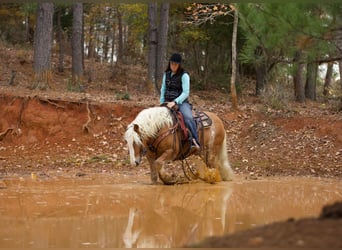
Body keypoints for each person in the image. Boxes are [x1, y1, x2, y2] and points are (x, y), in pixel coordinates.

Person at [160, 53, 200, 154]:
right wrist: (161, 103)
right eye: (171, 64)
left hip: (181, 103)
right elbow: (163, 89)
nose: (173, 66)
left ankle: (194, 142)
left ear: (179, 65)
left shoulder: (184, 75)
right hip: (167, 102)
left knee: (188, 117)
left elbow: (186, 92)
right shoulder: (166, 74)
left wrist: (175, 102)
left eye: (175, 64)